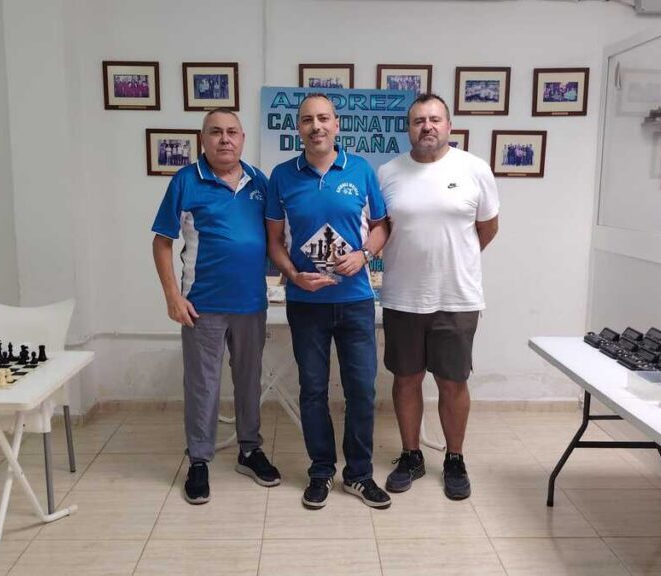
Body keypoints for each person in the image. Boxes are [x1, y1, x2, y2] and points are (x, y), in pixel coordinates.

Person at [266, 93, 391, 510]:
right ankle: (321, 470)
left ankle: (358, 474)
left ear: (337, 124)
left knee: (361, 389)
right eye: (307, 120)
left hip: (355, 301)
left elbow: (380, 226)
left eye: (323, 119)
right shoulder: (281, 176)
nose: (316, 126)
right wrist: (292, 273)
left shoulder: (360, 169)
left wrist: (364, 255)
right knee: (313, 389)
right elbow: (273, 242)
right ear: (298, 128)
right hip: (306, 302)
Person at [152, 109, 280, 505]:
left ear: (242, 138)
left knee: (249, 380)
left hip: (251, 304)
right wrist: (173, 296)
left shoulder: (260, 181)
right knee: (203, 385)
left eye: (231, 132)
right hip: (202, 305)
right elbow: (162, 242)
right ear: (202, 139)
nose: (225, 139)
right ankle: (199, 460)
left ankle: (249, 450)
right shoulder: (186, 181)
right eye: (215, 132)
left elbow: (274, 239)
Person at [377, 94, 500, 500]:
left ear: (449, 125)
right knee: (406, 379)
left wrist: (454, 261)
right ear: (408, 128)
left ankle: (454, 459)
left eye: (434, 119)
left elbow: (487, 227)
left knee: (453, 382)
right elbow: (380, 228)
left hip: (457, 297)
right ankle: (411, 455)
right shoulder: (388, 173)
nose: (426, 126)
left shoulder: (474, 169)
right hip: (402, 297)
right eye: (418, 121)